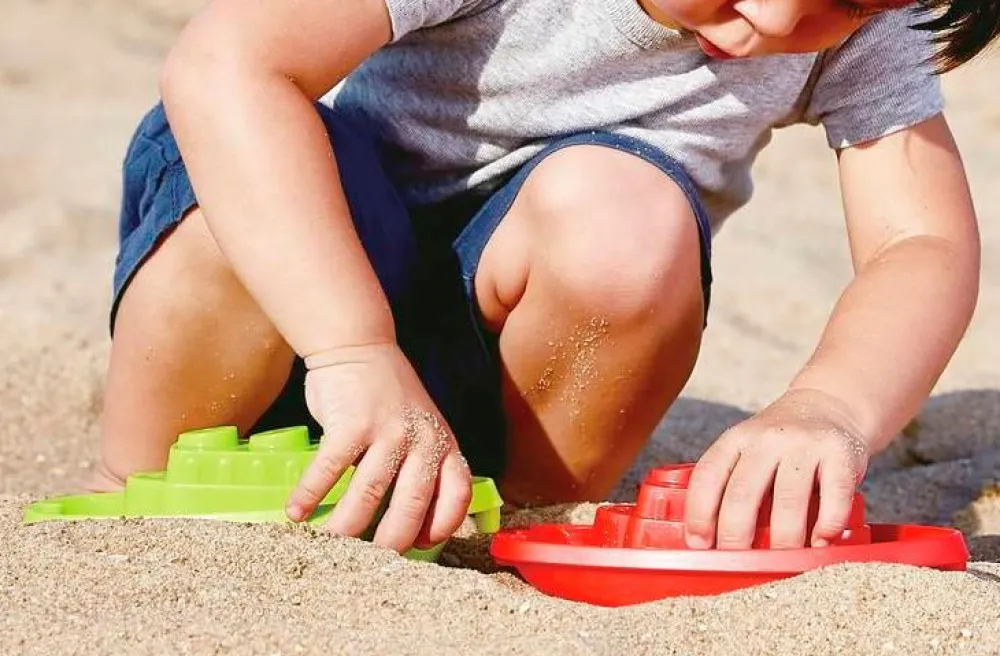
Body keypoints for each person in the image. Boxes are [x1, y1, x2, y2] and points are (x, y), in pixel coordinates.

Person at [96, 0, 995, 553]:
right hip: (299, 308)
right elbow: (227, 61)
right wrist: (352, 348)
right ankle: (136, 487)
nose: (773, 20)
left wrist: (828, 410)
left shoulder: (871, 26)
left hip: (481, 389)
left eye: (845, 2)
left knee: (625, 222)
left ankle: (524, 521)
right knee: (241, 185)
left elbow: (922, 244)